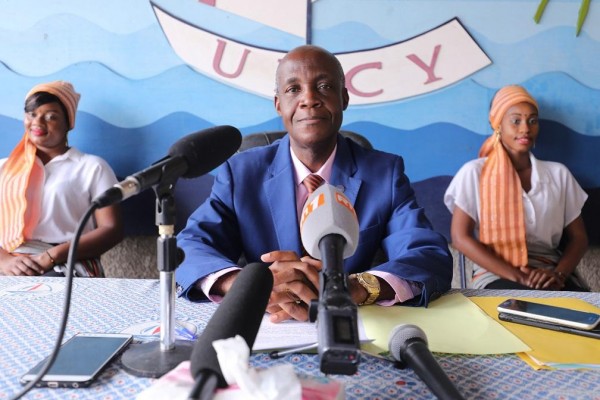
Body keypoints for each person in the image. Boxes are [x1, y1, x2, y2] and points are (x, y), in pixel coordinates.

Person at [176, 45, 453, 322]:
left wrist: (355, 287)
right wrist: (248, 286)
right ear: (278, 104)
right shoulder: (240, 173)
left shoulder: (384, 174)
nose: (309, 99)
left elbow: (427, 254)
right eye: (293, 89)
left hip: (351, 320)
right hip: (268, 323)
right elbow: (190, 246)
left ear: (344, 98)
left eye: (324, 86)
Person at [444, 85, 588, 291]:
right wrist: (521, 278)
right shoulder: (474, 173)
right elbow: (460, 238)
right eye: (516, 120)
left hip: (550, 271)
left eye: (532, 121)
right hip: (496, 273)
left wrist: (558, 275)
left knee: (583, 310)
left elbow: (579, 238)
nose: (525, 129)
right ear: (498, 124)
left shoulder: (559, 174)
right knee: (518, 307)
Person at [0, 81, 123, 277]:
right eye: (32, 114)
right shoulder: (4, 168)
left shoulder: (92, 167)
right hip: (9, 262)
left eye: (51, 117)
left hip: (67, 261)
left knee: (44, 294)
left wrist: (52, 255)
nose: (37, 123)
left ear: (68, 123)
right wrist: (4, 260)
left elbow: (111, 229)